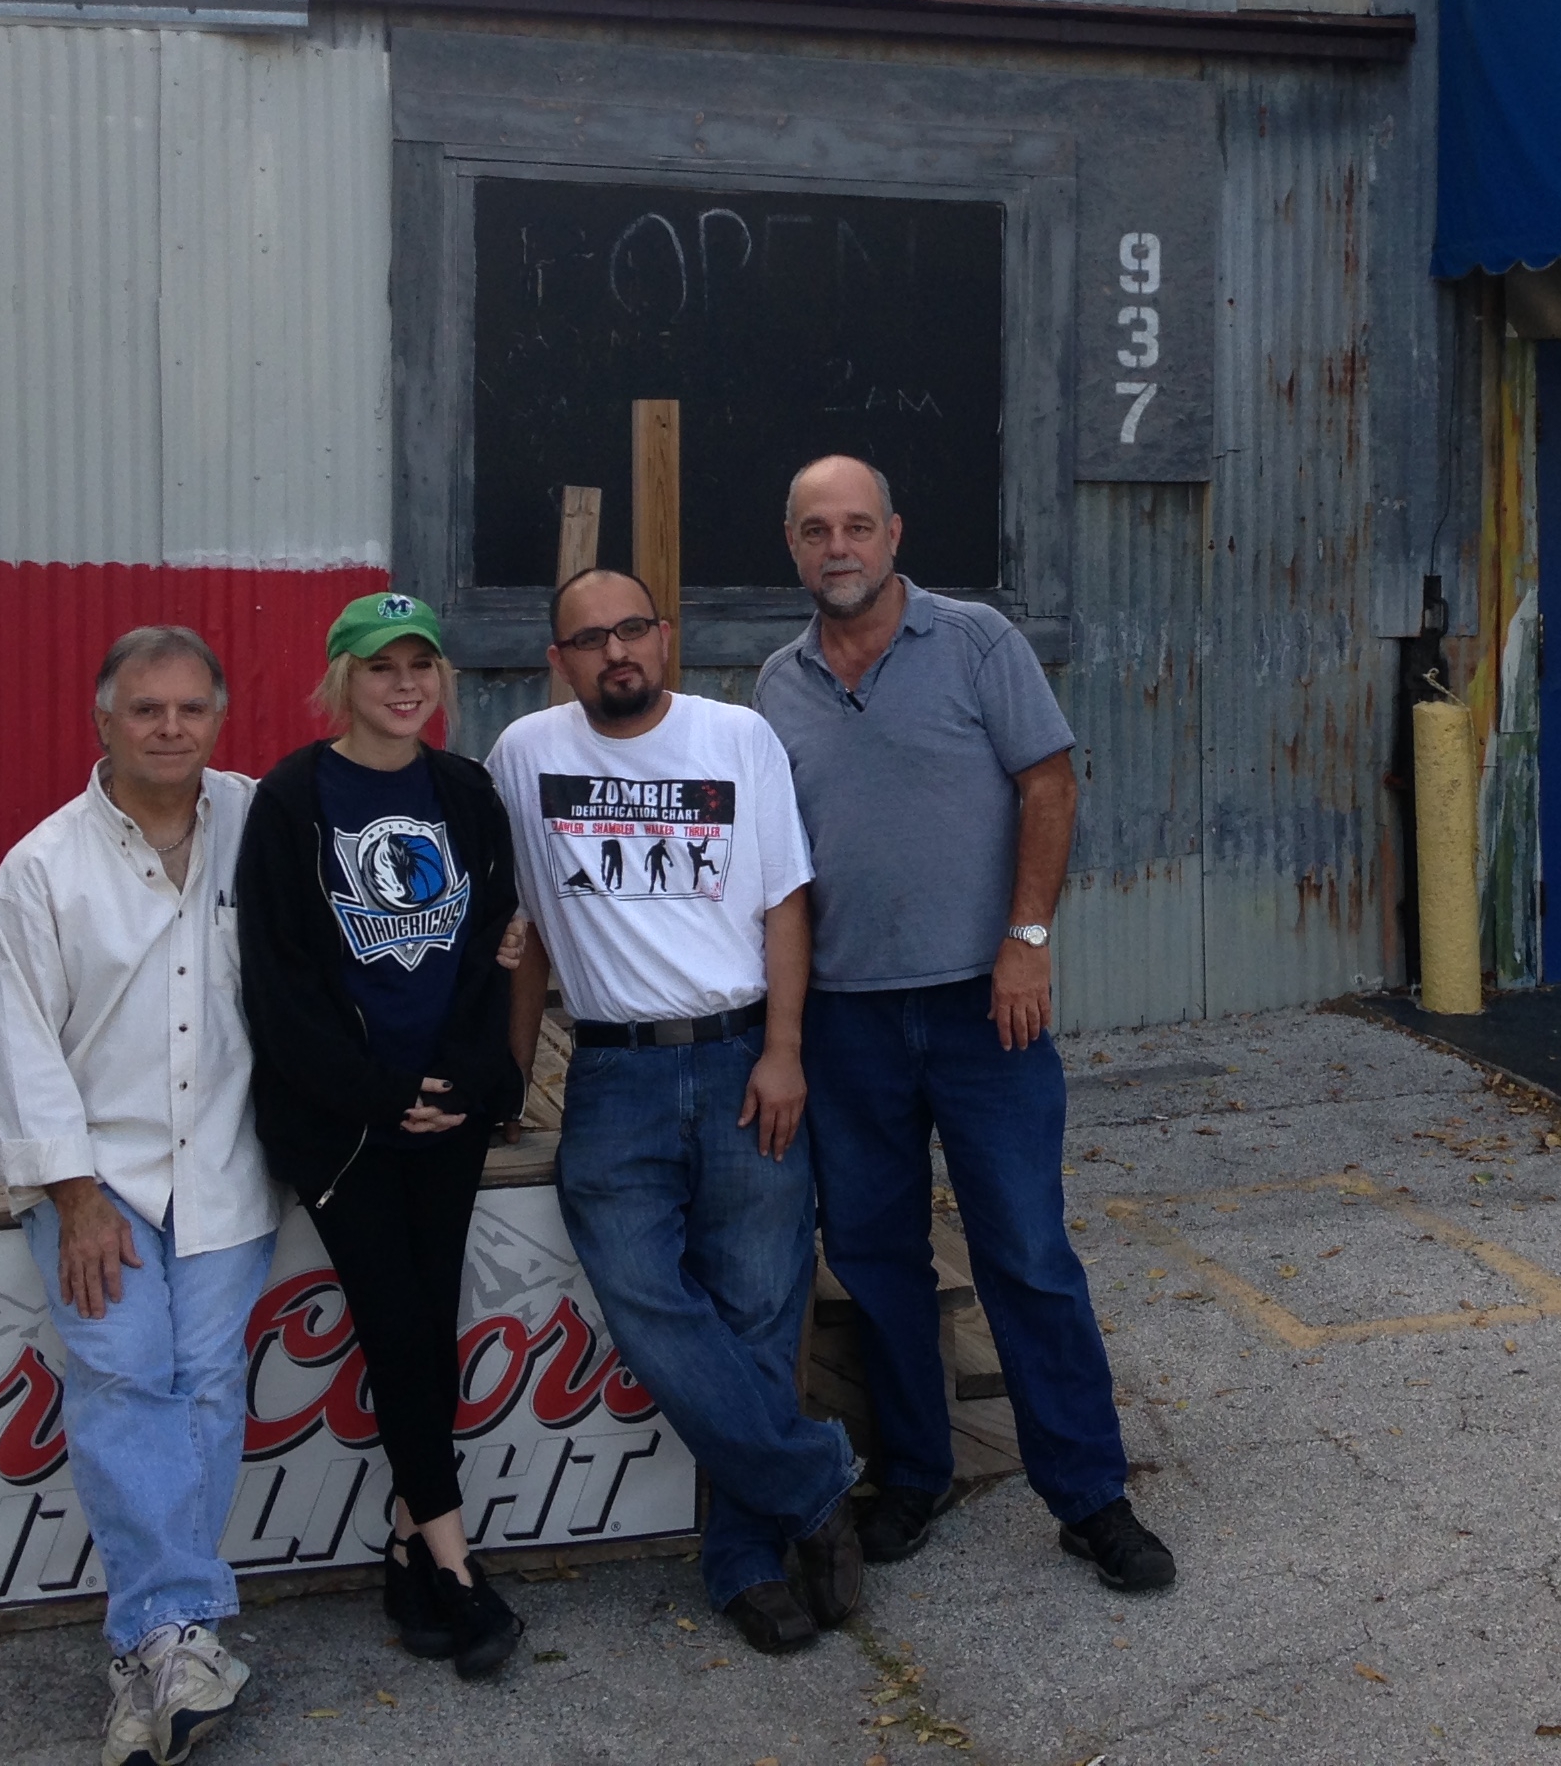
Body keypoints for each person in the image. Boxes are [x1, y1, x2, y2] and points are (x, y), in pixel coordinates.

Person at [757, 457, 1176, 1593]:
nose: (837, 547)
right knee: (878, 1258)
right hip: (846, 1021)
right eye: (814, 530)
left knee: (1026, 1253)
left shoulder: (978, 642)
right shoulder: (775, 688)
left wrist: (1026, 940)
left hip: (984, 1005)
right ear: (793, 548)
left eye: (857, 526)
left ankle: (1091, 1497)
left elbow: (1050, 781)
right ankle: (916, 1471)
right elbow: (775, 871)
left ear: (894, 534)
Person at [484, 567, 864, 1655]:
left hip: (744, 1053)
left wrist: (786, 1052)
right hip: (612, 1076)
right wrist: (512, 1073)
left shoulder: (735, 737)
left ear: (666, 636)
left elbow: (786, 901)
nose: (618, 653)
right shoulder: (525, 756)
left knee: (757, 1311)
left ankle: (745, 1563)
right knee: (648, 1303)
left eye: (633, 630)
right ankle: (817, 1484)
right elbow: (525, 931)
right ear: (559, 660)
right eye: (589, 639)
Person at [0, 626, 275, 1766]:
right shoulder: (41, 869)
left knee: (202, 1382)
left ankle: (160, 1651)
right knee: (118, 1373)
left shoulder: (261, 822)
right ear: (103, 720)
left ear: (219, 717)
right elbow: (19, 1048)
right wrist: (77, 1197)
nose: (169, 728)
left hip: (226, 1162)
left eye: (190, 708)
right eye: (146, 709)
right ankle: (171, 1633)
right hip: (96, 1178)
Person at [236, 591, 537, 1679]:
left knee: (430, 1319)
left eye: (422, 664)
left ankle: (407, 1546)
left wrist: (460, 1079)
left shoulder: (464, 791)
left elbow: (484, 949)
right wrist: (374, 1092)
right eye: (380, 666)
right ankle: (456, 1567)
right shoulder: (294, 798)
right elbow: (279, 981)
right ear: (340, 680)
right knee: (398, 1326)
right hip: (346, 1124)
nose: (404, 683)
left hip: (446, 1110)